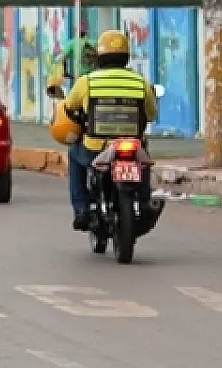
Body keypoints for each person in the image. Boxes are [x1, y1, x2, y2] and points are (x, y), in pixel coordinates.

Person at [60, 30, 158, 231]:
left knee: (74, 155)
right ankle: (145, 203)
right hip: (132, 145)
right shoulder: (140, 82)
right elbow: (151, 114)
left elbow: (68, 107)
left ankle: (81, 209)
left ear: (99, 56)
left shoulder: (87, 81)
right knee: (143, 162)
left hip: (96, 148)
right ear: (126, 56)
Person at [45, 30, 98, 99]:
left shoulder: (72, 43)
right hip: (95, 75)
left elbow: (63, 57)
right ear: (86, 34)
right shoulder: (93, 42)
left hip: (81, 76)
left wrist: (65, 71)